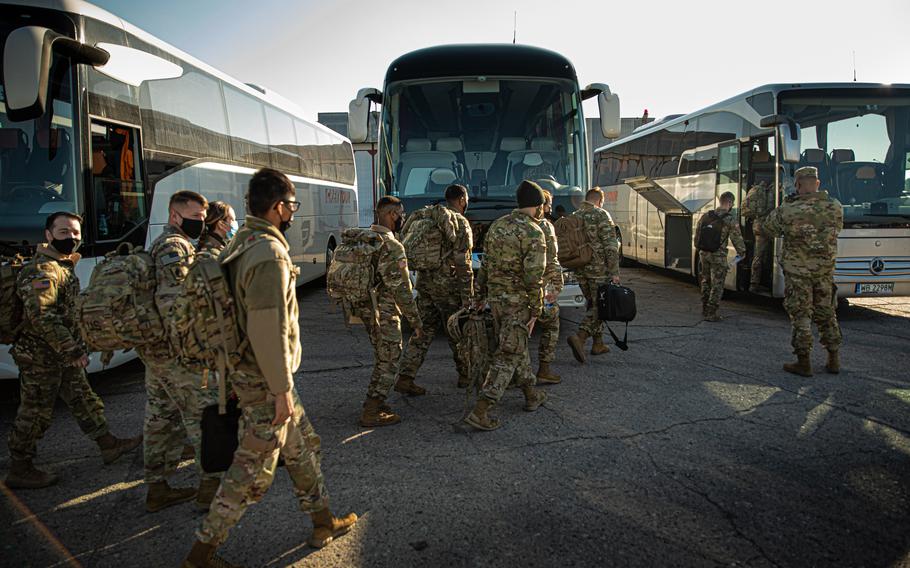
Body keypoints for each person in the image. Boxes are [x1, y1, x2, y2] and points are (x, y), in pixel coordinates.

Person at [182, 168, 356, 568]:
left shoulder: (242, 241)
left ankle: (323, 520)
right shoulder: (268, 253)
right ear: (278, 207)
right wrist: (279, 391)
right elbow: (266, 326)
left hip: (256, 373)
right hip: (265, 380)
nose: (293, 212)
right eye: (292, 205)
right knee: (249, 470)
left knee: (302, 450)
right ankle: (200, 555)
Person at [5, 212, 141, 489]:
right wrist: (72, 350)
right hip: (41, 357)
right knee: (35, 412)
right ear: (48, 235)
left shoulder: (61, 266)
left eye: (76, 233)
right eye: (64, 232)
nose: (72, 238)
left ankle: (108, 443)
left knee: (83, 398)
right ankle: (20, 467)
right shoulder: (42, 271)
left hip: (59, 353)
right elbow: (43, 317)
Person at [139, 190, 222, 513]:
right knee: (202, 417)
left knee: (160, 417)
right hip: (177, 354)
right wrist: (197, 350)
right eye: (195, 218)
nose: (200, 224)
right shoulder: (175, 248)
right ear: (175, 216)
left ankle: (157, 488)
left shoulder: (164, 244)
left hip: (157, 352)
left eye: (203, 219)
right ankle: (209, 490)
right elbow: (175, 306)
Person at [464, 180, 549, 431]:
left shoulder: (498, 226)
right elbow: (534, 276)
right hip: (518, 303)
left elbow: (486, 265)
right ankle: (482, 410)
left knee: (516, 347)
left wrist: (479, 297)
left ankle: (532, 395)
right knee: (508, 354)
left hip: (497, 301)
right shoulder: (534, 232)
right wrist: (536, 309)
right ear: (539, 206)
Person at [762, 166, 843, 376]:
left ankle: (804, 361)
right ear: (817, 184)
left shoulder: (788, 210)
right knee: (826, 312)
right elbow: (837, 229)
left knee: (801, 314)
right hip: (824, 271)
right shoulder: (835, 207)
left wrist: (788, 204)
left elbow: (767, 229)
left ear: (797, 185)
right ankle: (833, 358)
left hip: (798, 273)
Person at [350, 196, 424, 427]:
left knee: (383, 355)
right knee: (390, 358)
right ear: (392, 215)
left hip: (364, 308)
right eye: (400, 213)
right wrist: (416, 321)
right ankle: (371, 409)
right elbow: (402, 289)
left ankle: (378, 402)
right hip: (384, 311)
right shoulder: (391, 246)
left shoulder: (364, 239)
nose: (403, 218)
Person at [397, 184, 474, 392]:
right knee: (457, 332)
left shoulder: (426, 216)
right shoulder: (460, 222)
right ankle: (466, 376)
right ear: (461, 200)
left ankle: (406, 376)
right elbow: (462, 263)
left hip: (425, 284)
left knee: (422, 331)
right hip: (448, 288)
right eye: (465, 200)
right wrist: (468, 296)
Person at [566, 187, 621, 363]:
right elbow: (611, 245)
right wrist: (614, 272)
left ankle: (598, 343)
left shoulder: (574, 215)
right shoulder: (601, 214)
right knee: (600, 307)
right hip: (598, 269)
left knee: (593, 303)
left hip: (580, 269)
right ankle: (580, 337)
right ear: (599, 201)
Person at [695, 191, 747, 322]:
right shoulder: (729, 219)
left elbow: (697, 236)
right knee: (717, 284)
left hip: (703, 253)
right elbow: (737, 239)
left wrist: (700, 249)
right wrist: (742, 252)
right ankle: (711, 313)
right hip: (718, 255)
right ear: (729, 203)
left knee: (705, 281)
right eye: (732, 204)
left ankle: (704, 308)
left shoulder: (706, 215)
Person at [534, 190, 564, 384]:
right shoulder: (546, 226)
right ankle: (544, 369)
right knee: (551, 325)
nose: (551, 208)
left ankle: (514, 374)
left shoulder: (509, 224)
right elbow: (552, 259)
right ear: (542, 205)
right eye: (549, 204)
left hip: (516, 289)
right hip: (543, 289)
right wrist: (557, 287)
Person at [742, 180, 774, 293]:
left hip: (757, 225)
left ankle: (754, 283)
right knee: (774, 254)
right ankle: (770, 281)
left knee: (758, 255)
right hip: (770, 225)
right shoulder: (775, 190)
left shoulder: (756, 189)